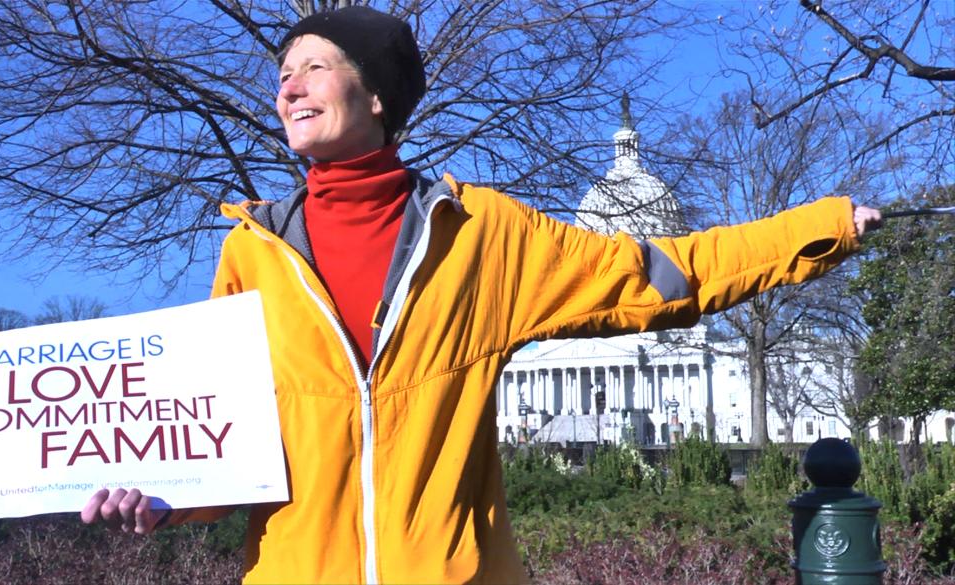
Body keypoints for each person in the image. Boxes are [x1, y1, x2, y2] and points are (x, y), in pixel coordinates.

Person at [82, 6, 882, 583]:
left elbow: (665, 276)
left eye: (313, 68)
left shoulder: (481, 234)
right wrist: (163, 499)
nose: (288, 87)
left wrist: (825, 225)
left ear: (377, 96)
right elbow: (222, 442)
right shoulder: (249, 254)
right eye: (282, 74)